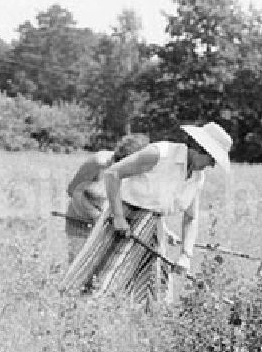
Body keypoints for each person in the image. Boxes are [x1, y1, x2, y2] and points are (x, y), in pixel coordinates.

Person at [60, 122, 232, 306]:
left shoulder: (197, 176)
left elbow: (191, 217)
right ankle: (78, 321)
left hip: (153, 228)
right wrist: (118, 217)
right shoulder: (159, 154)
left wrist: (185, 255)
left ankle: (144, 327)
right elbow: (113, 174)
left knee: (155, 291)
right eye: (212, 159)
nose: (212, 165)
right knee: (103, 280)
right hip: (125, 221)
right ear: (199, 148)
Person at [63, 134, 150, 263]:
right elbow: (73, 190)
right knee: (79, 271)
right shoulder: (99, 163)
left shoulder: (136, 171)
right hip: (81, 224)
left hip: (107, 228)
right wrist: (97, 215)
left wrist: (164, 230)